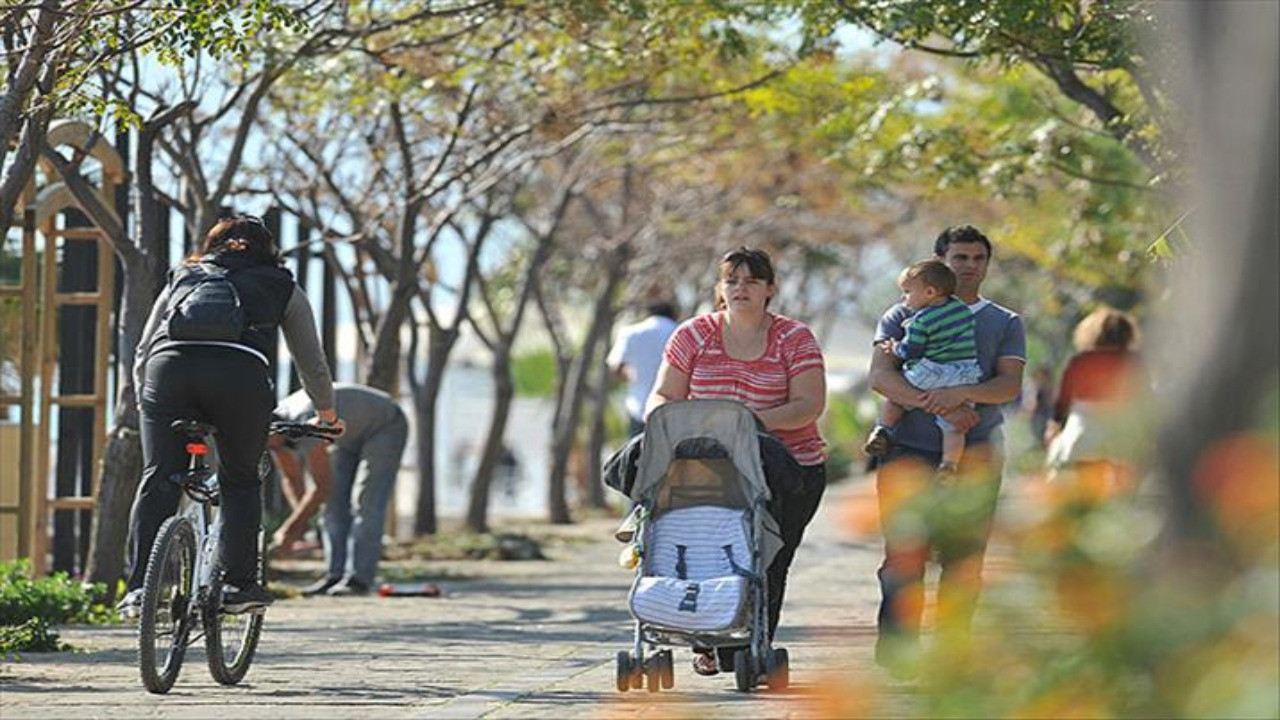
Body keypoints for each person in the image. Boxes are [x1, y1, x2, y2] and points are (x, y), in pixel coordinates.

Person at [119, 215, 342, 617]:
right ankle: (239, 586)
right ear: (268, 249)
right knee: (239, 478)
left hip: (168, 373)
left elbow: (143, 347)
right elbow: (312, 361)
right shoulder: (282, 284)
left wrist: (146, 401)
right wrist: (326, 413)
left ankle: (138, 590)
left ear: (212, 245)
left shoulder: (184, 276)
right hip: (239, 379)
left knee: (159, 477)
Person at [647, 246, 827, 677]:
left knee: (768, 558)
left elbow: (808, 405)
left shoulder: (794, 337)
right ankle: (707, 637)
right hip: (711, 465)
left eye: (751, 280)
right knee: (707, 550)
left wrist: (743, 424)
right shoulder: (693, 334)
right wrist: (674, 421)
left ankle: (754, 645)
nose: (740, 288)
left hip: (788, 467)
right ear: (720, 289)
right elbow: (663, 395)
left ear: (770, 289)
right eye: (732, 280)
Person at [867, 225, 1025, 679]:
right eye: (960, 257)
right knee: (904, 554)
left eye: (978, 258)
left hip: (975, 453)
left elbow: (1008, 385)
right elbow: (882, 376)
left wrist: (960, 395)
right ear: (940, 263)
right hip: (907, 451)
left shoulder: (1005, 322)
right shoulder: (901, 315)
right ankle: (899, 656)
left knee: (964, 560)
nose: (970, 265)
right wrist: (937, 403)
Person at [270, 383, 408, 597]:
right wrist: (301, 527)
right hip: (346, 436)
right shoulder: (273, 434)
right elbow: (292, 480)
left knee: (366, 500)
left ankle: (358, 579)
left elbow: (321, 486)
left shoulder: (305, 423)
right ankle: (334, 575)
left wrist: (291, 529)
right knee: (333, 504)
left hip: (385, 425)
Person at [863, 259, 981, 476]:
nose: (904, 298)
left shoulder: (920, 321)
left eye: (907, 292)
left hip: (930, 372)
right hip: (964, 374)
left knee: (896, 395)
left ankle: (883, 430)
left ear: (929, 292)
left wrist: (895, 347)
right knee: (954, 428)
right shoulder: (962, 310)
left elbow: (912, 351)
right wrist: (951, 406)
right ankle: (949, 465)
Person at [1045, 307, 1145, 491]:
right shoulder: (1136, 361)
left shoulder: (1081, 360)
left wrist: (1055, 424)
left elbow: (1064, 398)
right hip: (1124, 422)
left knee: (1086, 480)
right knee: (1124, 481)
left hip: (1086, 422)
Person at [607, 301, 679, 437]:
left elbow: (615, 368)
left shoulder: (631, 332)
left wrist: (632, 377)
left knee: (636, 456)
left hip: (638, 407)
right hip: (672, 412)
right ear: (673, 315)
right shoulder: (679, 332)